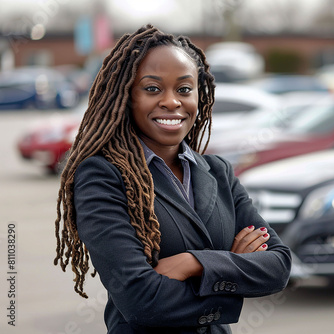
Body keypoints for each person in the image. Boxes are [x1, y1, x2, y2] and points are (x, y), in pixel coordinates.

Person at [54, 24, 291, 334]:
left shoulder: (218, 172)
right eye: (152, 88)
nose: (171, 102)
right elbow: (141, 299)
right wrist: (233, 268)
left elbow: (279, 266)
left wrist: (193, 263)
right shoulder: (102, 176)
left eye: (184, 89)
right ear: (126, 96)